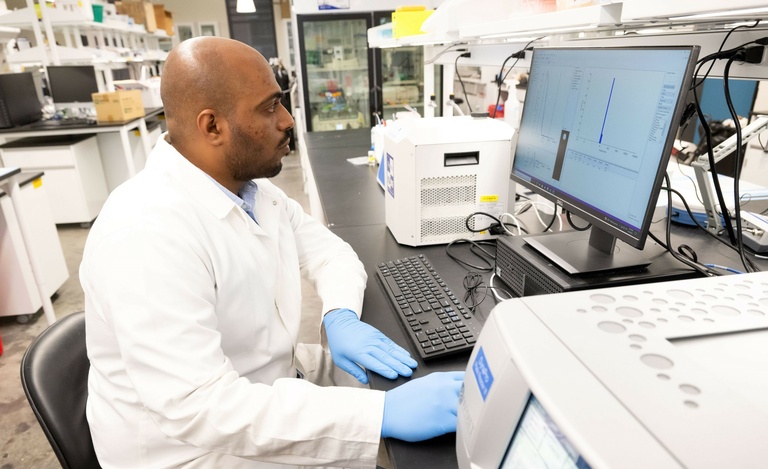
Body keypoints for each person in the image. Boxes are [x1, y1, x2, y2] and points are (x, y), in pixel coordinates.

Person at [80, 36, 463, 468]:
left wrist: (338, 315)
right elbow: (201, 407)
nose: (287, 120)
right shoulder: (145, 233)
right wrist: (379, 415)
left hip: (266, 380)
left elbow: (330, 253)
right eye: (269, 107)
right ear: (212, 127)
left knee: (429, 383)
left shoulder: (250, 191)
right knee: (406, 440)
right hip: (194, 447)